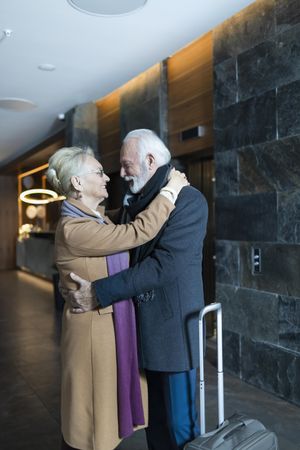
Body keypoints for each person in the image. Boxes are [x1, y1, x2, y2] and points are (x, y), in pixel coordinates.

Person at [67, 129, 209, 450]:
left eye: (127, 165)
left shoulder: (189, 201)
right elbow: (114, 232)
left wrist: (99, 292)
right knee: (153, 425)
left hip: (174, 337)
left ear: (149, 161)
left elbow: (163, 266)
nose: (123, 173)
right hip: (141, 334)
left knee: (179, 427)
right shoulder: (139, 200)